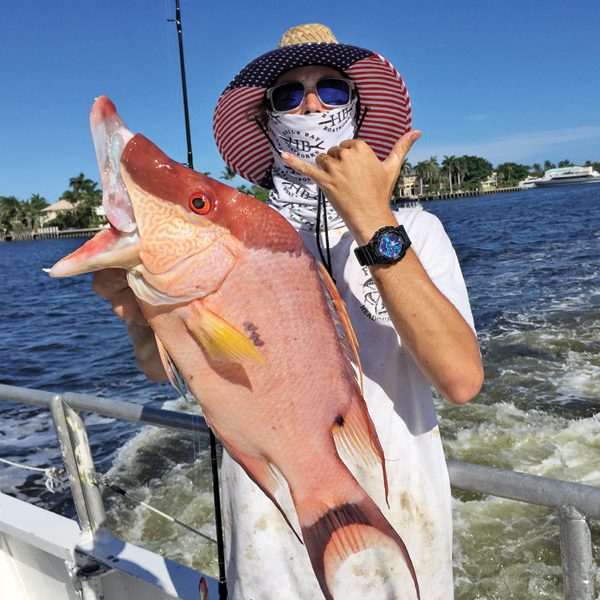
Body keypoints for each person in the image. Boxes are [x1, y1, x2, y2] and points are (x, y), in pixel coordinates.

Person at [94, 23, 483, 600]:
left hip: (402, 528)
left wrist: (373, 219)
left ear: (355, 108)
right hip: (269, 543)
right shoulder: (225, 239)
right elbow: (159, 368)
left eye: (330, 89)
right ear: (266, 121)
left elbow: (460, 378)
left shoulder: (417, 231)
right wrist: (139, 308)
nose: (309, 103)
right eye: (287, 94)